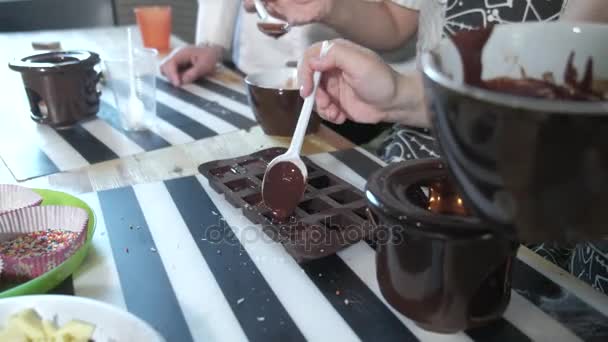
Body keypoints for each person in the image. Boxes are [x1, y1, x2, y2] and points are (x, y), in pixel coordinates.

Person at [281, 0, 607, 293]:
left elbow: (567, 73)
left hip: (548, 178)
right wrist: (398, 97)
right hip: (431, 129)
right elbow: (396, 19)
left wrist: (404, 97)